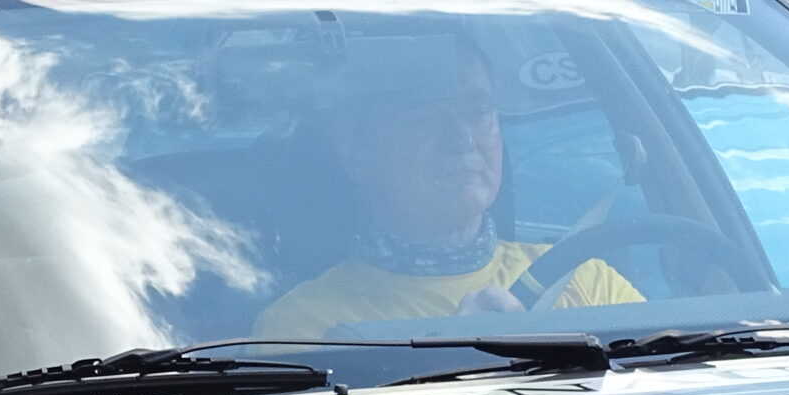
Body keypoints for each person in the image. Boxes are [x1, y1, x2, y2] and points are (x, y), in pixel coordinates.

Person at [254, 35, 640, 339]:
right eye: (424, 119)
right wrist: (453, 357)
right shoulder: (305, 328)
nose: (462, 139)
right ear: (354, 150)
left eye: (477, 112)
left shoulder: (585, 280)